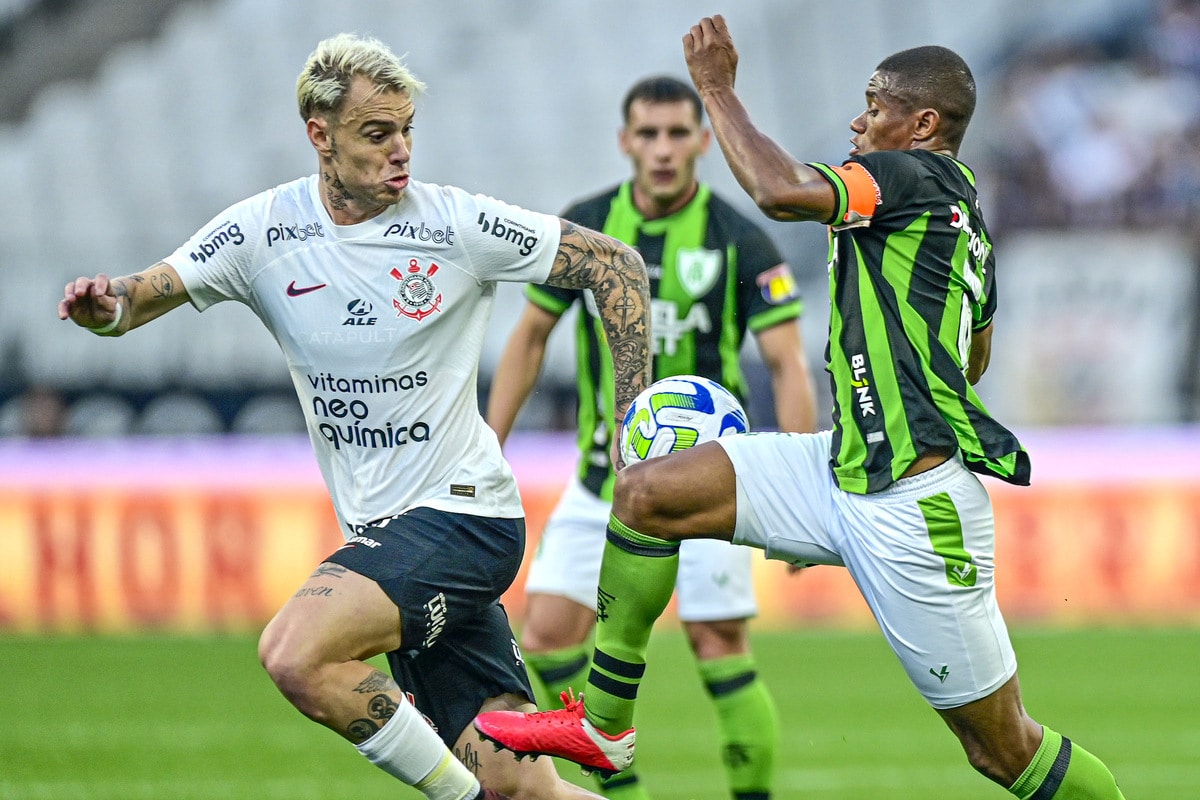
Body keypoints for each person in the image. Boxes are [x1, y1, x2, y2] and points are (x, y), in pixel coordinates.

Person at [474, 16, 1129, 800]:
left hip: (915, 513)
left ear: (922, 125)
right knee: (649, 491)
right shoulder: (965, 222)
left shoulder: (912, 178)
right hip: (835, 466)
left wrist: (716, 85)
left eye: (875, 104)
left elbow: (781, 191)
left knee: (1001, 750)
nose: (859, 120)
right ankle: (605, 724)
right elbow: (974, 355)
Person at [58, 33, 651, 800]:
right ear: (320, 135)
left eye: (407, 130)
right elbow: (139, 299)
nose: (401, 150)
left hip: (464, 522)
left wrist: (635, 436)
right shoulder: (265, 231)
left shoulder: (453, 225)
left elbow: (615, 266)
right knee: (524, 789)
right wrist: (104, 308)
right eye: (378, 133)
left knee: (293, 654)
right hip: (388, 539)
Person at [486, 75, 816, 800]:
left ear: (702, 140)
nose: (663, 150)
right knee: (544, 635)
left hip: (704, 483)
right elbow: (529, 337)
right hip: (603, 477)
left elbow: (788, 362)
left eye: (677, 134)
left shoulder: (739, 238)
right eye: (649, 134)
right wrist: (488, 445)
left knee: (718, 644)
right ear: (625, 141)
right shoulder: (588, 225)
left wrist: (801, 483)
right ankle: (622, 792)